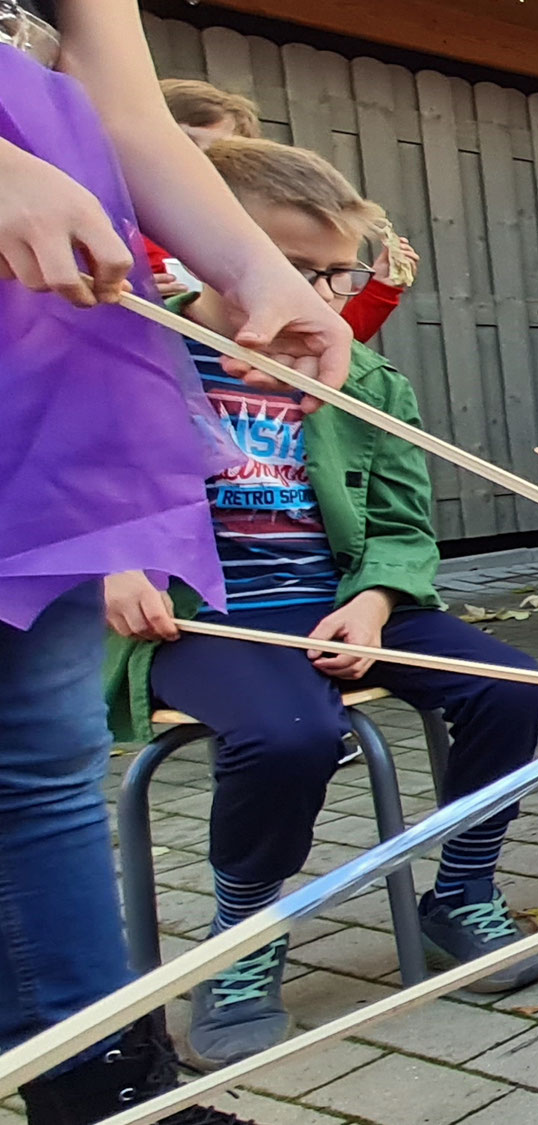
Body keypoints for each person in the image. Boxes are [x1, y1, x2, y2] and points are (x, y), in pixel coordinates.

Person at [100, 136, 538, 1069]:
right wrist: (115, 562)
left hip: (341, 598)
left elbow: (401, 520)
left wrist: (378, 601)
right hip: (206, 616)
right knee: (288, 734)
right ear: (206, 243)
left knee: (507, 682)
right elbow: (73, 478)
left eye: (336, 274)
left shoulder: (366, 377)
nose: (323, 297)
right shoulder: (134, 352)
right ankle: (245, 935)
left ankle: (459, 893)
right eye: (295, 270)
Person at [1, 0, 351, 1117]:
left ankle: (94, 1084)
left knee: (40, 759)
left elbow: (128, 116)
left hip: (41, 347)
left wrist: (260, 270)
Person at [145, 78, 422, 342]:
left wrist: (381, 289)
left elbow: (321, 344)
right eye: (187, 145)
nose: (202, 162)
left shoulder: (269, 225)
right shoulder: (115, 231)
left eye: (224, 150)